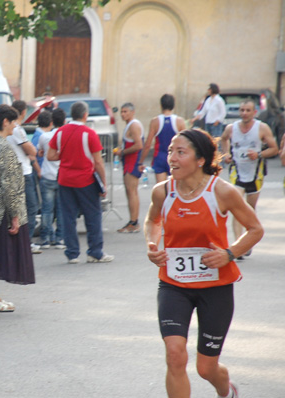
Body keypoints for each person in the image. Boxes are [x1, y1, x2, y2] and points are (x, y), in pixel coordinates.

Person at [144, 128, 263, 398]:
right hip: (174, 284)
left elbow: (255, 229)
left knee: (205, 368)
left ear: (200, 160)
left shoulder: (222, 192)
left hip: (215, 286)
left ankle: (226, 390)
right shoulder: (162, 192)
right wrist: (151, 245)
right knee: (175, 356)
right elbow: (152, 221)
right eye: (170, 151)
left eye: (180, 152)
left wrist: (230, 253)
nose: (171, 157)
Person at [0, 105, 35, 314]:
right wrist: (15, 215)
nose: (15, 126)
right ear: (5, 122)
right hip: (1, 209)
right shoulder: (2, 146)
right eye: (13, 122)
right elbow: (9, 185)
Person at [47, 101, 114, 264]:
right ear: (85, 115)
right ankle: (95, 252)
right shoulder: (89, 133)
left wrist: (64, 156)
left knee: (68, 216)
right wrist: (103, 183)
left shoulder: (61, 132)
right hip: (85, 181)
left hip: (65, 180)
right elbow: (98, 162)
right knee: (93, 216)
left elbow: (50, 155)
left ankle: (72, 253)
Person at [220, 99, 278, 250]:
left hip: (255, 174)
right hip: (237, 173)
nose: (244, 113)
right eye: (242, 110)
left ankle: (248, 239)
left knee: (250, 209)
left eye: (247, 110)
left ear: (254, 112)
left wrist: (258, 154)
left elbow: (274, 149)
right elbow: (224, 139)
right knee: (237, 206)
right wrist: (226, 154)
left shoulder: (262, 128)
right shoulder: (231, 128)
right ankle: (239, 245)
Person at [8, 100, 41, 253]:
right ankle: (25, 242)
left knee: (18, 209)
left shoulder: (9, 128)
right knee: (30, 207)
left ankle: (20, 242)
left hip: (14, 172)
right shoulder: (17, 129)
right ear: (23, 112)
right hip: (23, 173)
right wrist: (32, 149)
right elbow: (31, 150)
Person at [140, 94, 187, 183]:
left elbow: (148, 144)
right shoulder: (180, 121)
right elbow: (186, 143)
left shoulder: (155, 121)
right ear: (173, 106)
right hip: (175, 157)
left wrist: (141, 161)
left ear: (161, 105)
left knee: (161, 189)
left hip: (160, 157)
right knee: (175, 189)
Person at [36, 109, 66, 249]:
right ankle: (60, 239)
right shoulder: (66, 136)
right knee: (61, 209)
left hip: (47, 175)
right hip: (62, 176)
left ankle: (46, 238)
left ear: (51, 121)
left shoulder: (45, 136)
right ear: (64, 121)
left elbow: (40, 152)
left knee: (47, 210)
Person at [116, 103, 144, 233]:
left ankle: (134, 222)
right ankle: (133, 221)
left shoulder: (134, 125)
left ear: (132, 112)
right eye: (122, 112)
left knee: (131, 192)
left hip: (132, 163)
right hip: (129, 162)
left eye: (125, 111)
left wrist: (123, 152)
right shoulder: (130, 125)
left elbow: (139, 145)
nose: (123, 114)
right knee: (130, 192)